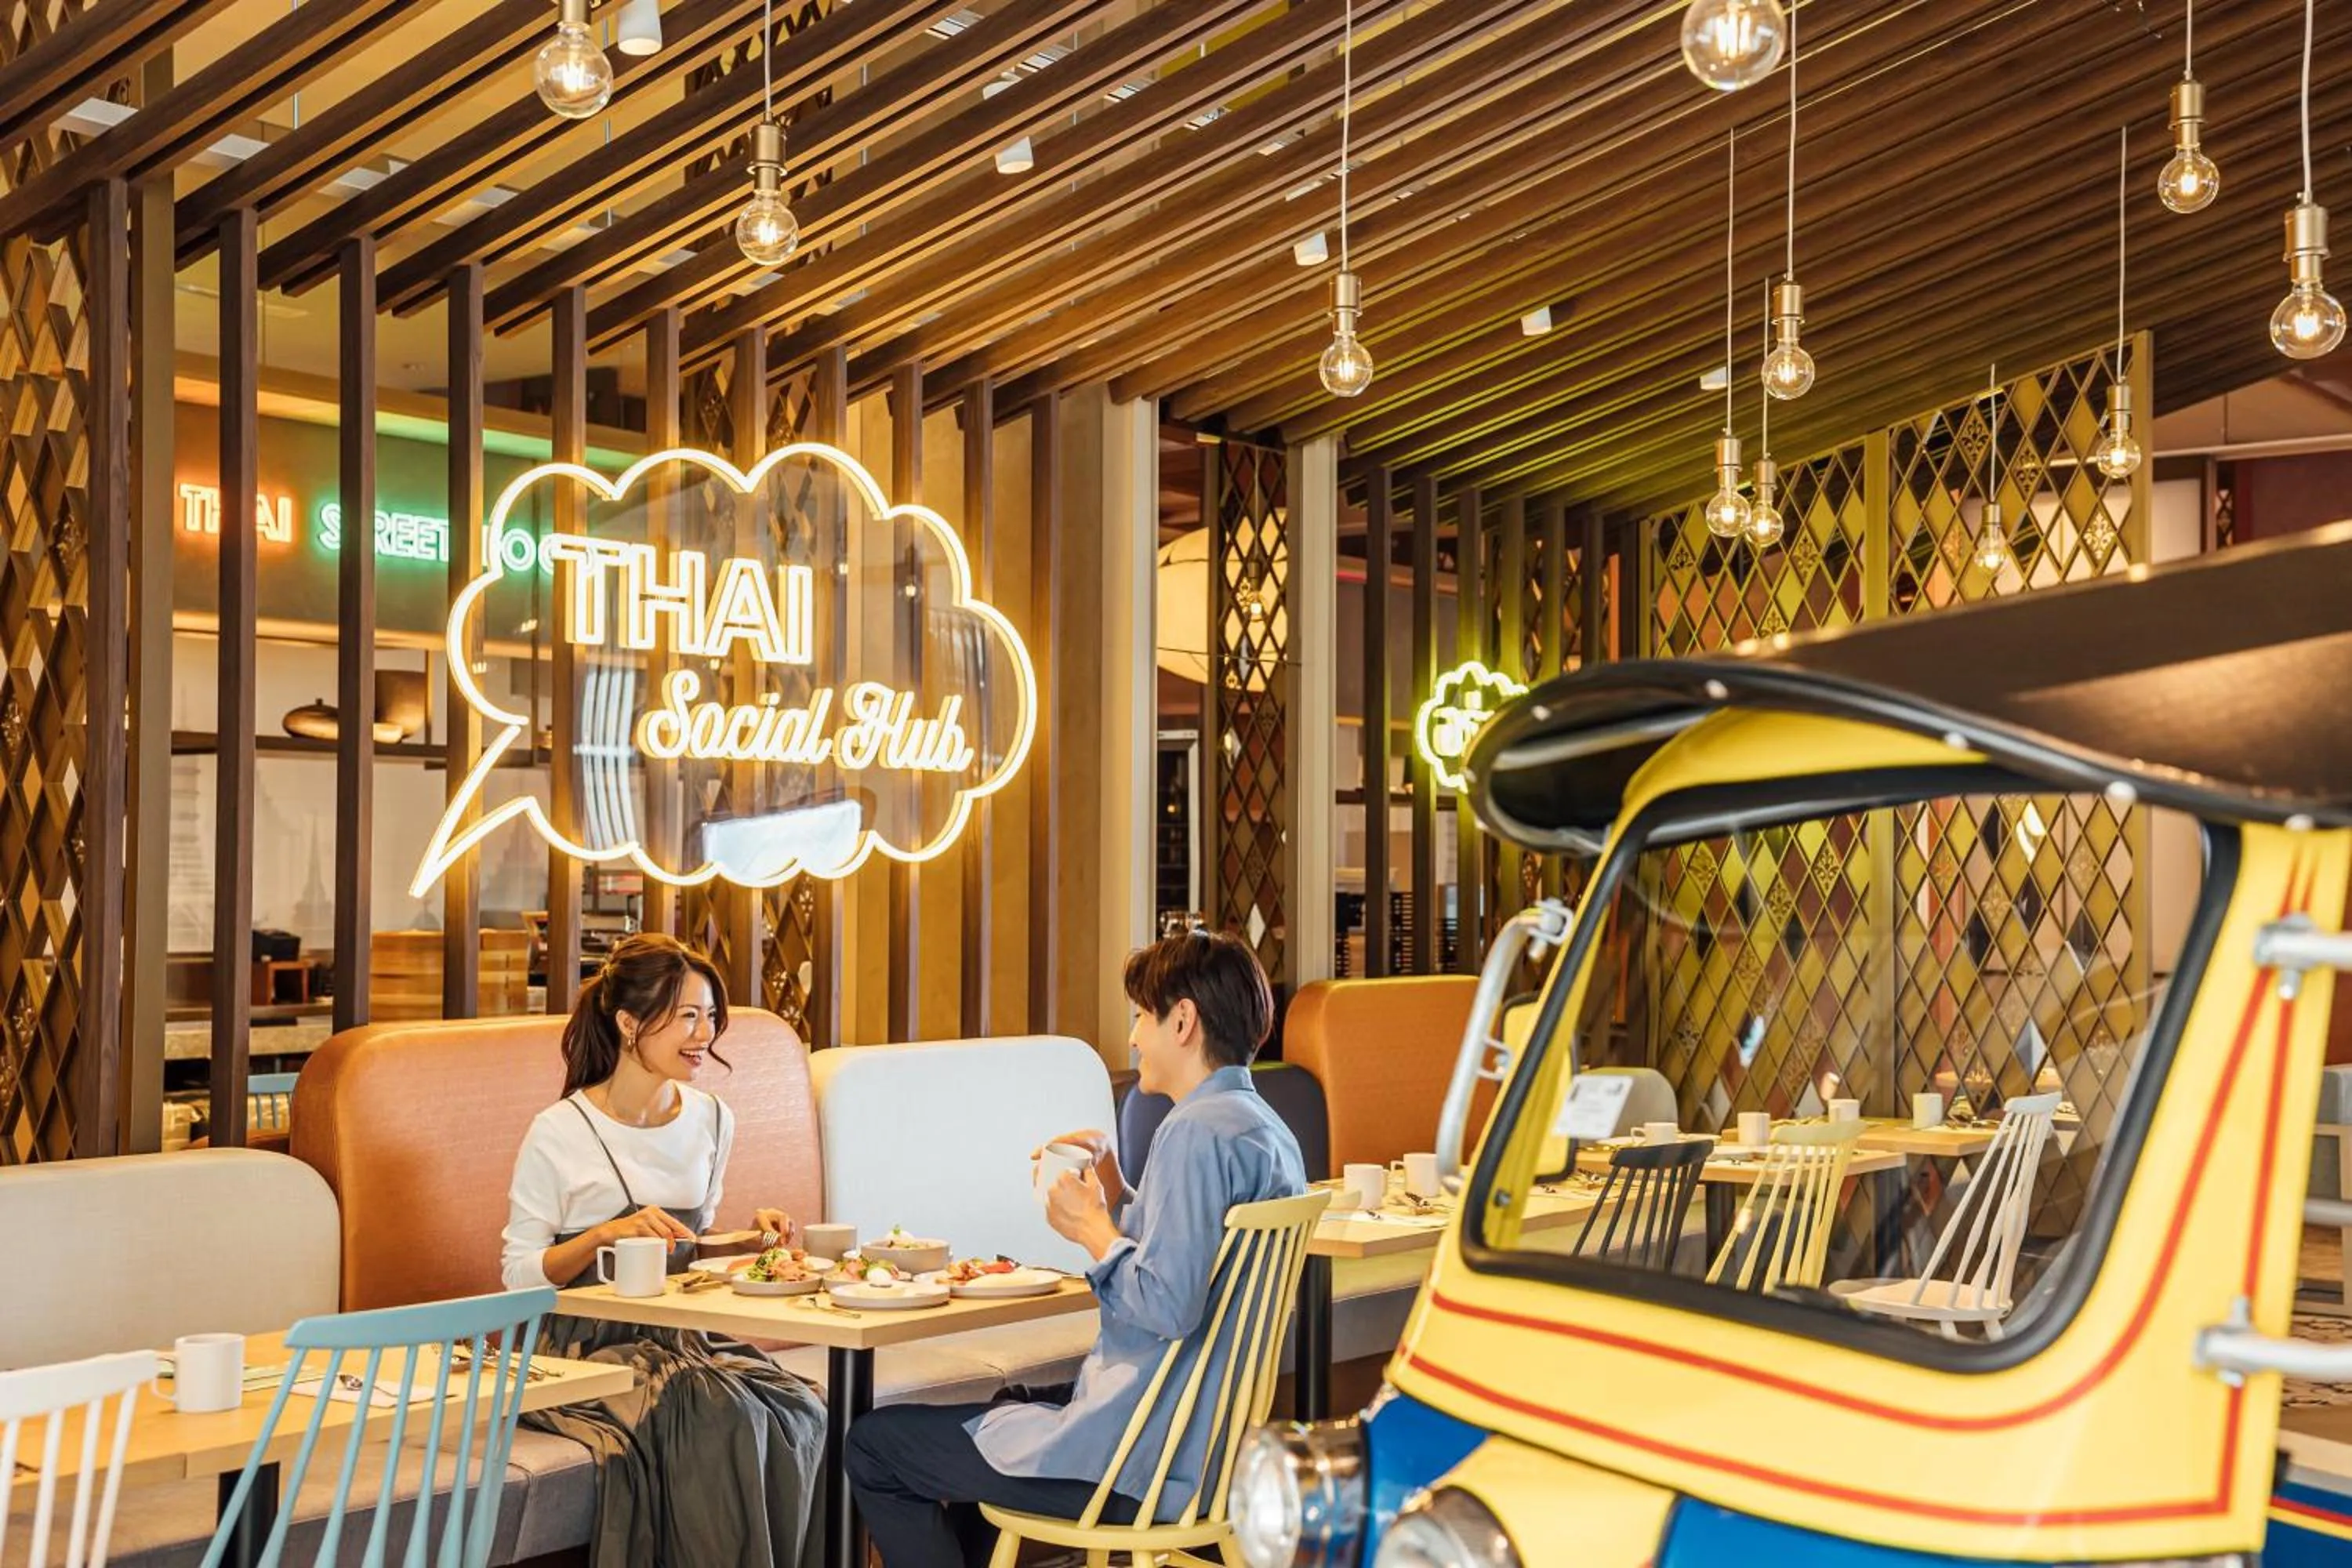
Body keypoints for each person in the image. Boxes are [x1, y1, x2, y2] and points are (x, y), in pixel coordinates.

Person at [844, 928, 1306, 1568]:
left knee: (873, 1446)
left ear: (1183, 1021)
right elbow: (1191, 1251)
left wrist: (1092, 1228)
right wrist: (1116, 1190)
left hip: (1139, 1463)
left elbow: (1170, 1306)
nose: (1135, 1037)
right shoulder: (1263, 1129)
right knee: (1011, 1407)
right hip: (1205, 1448)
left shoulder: (1194, 1134)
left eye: (1143, 1016)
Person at [501, 933, 827, 1567]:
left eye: (709, 1016)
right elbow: (518, 1275)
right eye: (686, 1015)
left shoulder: (712, 1118)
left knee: (802, 1407)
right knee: (721, 1414)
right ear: (628, 1023)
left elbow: (693, 1246)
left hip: (678, 1335)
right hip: (578, 1341)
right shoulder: (560, 1131)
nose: (703, 1033)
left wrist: (755, 1237)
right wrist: (601, 1236)